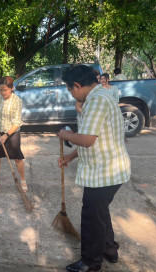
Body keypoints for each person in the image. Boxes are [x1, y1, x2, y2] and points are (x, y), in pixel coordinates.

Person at [57, 65, 131, 272]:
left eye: (70, 90)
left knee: (91, 216)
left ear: (78, 85)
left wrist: (66, 135)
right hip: (110, 169)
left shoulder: (96, 101)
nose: (71, 94)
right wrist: (70, 157)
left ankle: (91, 262)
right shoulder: (100, 96)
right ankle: (109, 250)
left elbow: (87, 140)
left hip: (105, 172)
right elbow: (97, 138)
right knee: (100, 212)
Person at [0, 76, 26, 196]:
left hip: (12, 132)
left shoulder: (17, 101)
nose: (2, 93)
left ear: (12, 88)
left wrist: (6, 135)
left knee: (17, 158)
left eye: (5, 90)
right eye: (0, 90)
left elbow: (17, 122)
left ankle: (23, 180)